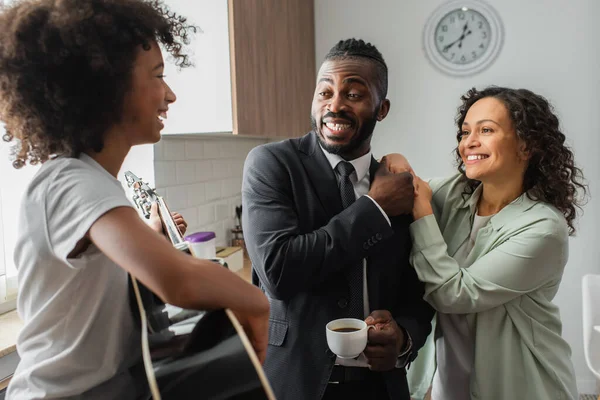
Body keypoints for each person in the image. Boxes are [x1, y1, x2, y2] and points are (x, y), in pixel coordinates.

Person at [0, 1, 269, 398]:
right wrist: (257, 301)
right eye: (158, 76)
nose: (171, 95)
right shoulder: (68, 180)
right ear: (105, 86)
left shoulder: (94, 182)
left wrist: (151, 239)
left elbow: (101, 291)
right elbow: (178, 281)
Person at [242, 38, 434, 400]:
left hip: (380, 387)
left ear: (382, 108)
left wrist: (404, 337)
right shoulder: (273, 164)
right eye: (324, 93)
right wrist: (374, 209)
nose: (334, 106)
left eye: (354, 94)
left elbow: (418, 290)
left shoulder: (399, 184)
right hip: (294, 382)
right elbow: (278, 271)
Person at [384, 86, 586, 400]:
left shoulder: (543, 228)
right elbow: (404, 183)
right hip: (450, 390)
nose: (469, 143)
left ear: (526, 145)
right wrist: (395, 161)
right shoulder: (455, 193)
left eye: (486, 130)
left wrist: (422, 209)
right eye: (465, 132)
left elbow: (453, 294)